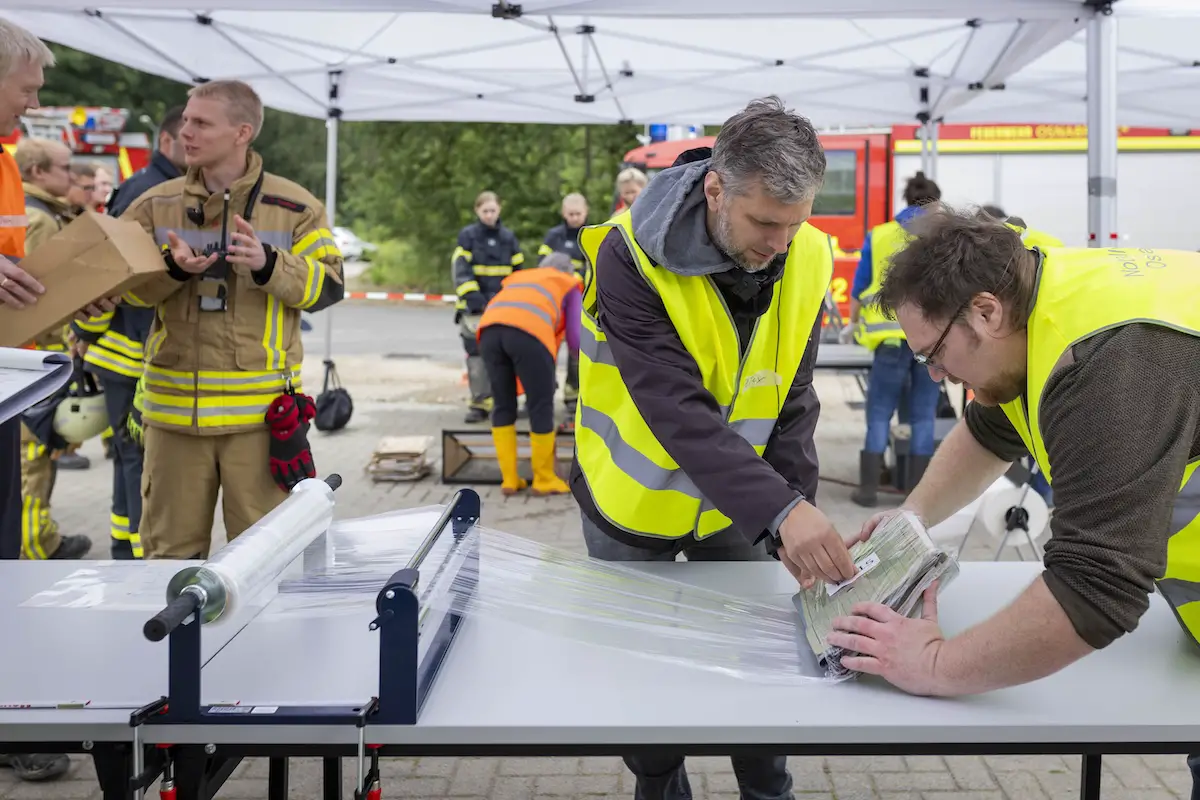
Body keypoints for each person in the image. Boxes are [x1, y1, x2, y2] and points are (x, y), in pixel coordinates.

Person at [823, 204, 1200, 797]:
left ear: (986, 311)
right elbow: (991, 428)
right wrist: (912, 518)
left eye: (933, 354)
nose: (933, 375)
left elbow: (1098, 586)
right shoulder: (1036, 301)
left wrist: (935, 666)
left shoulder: (1109, 360)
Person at [572, 96, 856, 800]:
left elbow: (792, 399)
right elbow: (676, 407)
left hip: (740, 511)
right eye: (765, 222)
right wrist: (783, 513)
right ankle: (662, 786)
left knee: (755, 662)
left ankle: (767, 790)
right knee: (646, 678)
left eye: (795, 223)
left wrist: (797, 516)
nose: (781, 242)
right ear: (715, 189)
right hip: (629, 505)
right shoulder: (625, 253)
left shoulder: (809, 252)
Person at [118, 79, 345, 560]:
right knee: (168, 565)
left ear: (243, 132)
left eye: (201, 122)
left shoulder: (296, 208)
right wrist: (174, 269)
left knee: (265, 565)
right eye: (185, 120)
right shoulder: (152, 206)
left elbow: (328, 288)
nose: (186, 132)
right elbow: (128, 295)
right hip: (173, 424)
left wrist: (268, 264)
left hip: (259, 426)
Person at [0, 16, 116, 784]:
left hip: (4, 395)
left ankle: (12, 724)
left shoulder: (6, 163)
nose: (35, 103)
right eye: (28, 86)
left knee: (4, 568)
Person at [71, 105, 186, 559]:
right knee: (138, 455)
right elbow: (114, 273)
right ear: (166, 142)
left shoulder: (150, 187)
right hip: (131, 350)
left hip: (127, 350)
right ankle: (136, 554)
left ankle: (127, 543)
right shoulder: (151, 193)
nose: (195, 147)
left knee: (129, 455)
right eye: (187, 136)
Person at [14, 137, 93, 560]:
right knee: (34, 461)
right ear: (37, 172)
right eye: (64, 168)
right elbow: (41, 298)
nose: (73, 175)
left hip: (24, 356)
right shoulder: (41, 219)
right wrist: (59, 353)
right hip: (35, 359)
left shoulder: (34, 209)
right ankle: (37, 548)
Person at [847, 171, 944, 507]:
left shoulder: (881, 235)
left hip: (887, 340)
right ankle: (915, 496)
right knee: (921, 416)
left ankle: (869, 491)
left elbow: (860, 289)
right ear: (936, 203)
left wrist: (852, 325)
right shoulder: (940, 237)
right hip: (931, 342)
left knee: (878, 414)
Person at [477, 251, 580, 496]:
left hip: (489, 332)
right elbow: (576, 338)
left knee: (503, 404)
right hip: (529, 334)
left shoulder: (519, 277)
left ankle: (510, 480)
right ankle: (544, 479)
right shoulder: (569, 283)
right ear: (568, 270)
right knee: (540, 405)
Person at [452, 190, 525, 423]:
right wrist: (474, 297)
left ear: (499, 210)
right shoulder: (468, 237)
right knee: (476, 357)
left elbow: (518, 273)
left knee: (504, 357)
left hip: (503, 308)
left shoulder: (509, 238)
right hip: (474, 309)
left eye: (493, 210)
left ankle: (503, 402)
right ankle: (480, 404)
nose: (489, 215)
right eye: (485, 211)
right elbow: (460, 271)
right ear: (477, 211)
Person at [538, 193, 589, 413]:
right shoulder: (553, 237)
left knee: (577, 348)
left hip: (581, 301)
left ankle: (573, 394)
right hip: (556, 301)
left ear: (585, 212)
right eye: (571, 214)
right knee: (550, 347)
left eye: (578, 214)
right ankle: (545, 391)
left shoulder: (592, 233)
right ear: (563, 213)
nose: (575, 218)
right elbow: (543, 267)